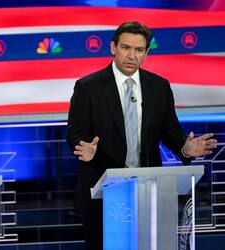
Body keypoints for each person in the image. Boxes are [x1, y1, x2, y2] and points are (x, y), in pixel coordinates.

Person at [66, 21, 217, 250]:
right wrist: (84, 147)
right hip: (102, 192)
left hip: (149, 190)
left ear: (146, 53)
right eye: (126, 47)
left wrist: (185, 148)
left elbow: (170, 131)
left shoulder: (158, 86)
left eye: (139, 50)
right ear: (113, 48)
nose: (132, 56)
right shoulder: (88, 87)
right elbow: (76, 133)